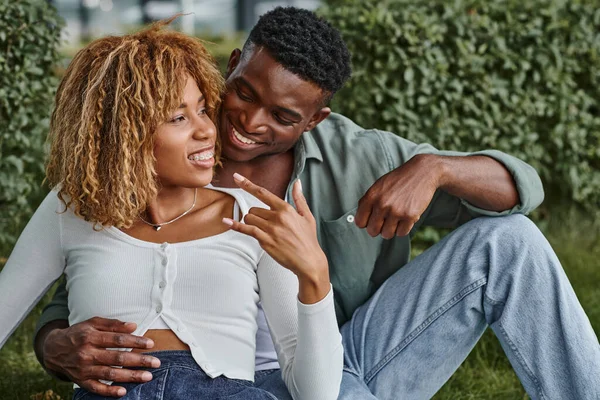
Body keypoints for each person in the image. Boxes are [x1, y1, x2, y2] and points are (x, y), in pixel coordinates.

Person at [34, 7, 600, 400]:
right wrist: (55, 343)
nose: (247, 125)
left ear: (315, 119)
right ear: (232, 65)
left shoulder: (363, 156)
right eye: (245, 94)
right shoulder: (167, 135)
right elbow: (94, 268)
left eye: (283, 117)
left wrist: (436, 168)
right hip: (205, 376)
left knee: (511, 242)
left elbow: (521, 187)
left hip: (339, 356)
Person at [0, 18, 343, 400]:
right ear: (126, 132)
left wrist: (315, 275)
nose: (207, 130)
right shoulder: (73, 208)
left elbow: (318, 394)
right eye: (179, 118)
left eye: (202, 109)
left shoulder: (254, 217)